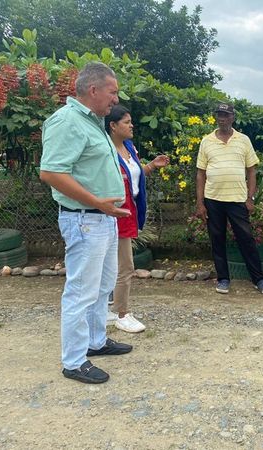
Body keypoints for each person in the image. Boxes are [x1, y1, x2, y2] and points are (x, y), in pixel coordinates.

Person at [40, 62, 133, 384]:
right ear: (93, 90)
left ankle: (96, 341)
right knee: (81, 292)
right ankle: (74, 361)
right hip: (85, 220)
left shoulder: (93, 122)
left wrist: (103, 207)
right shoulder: (67, 121)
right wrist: (96, 202)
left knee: (102, 287)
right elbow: (51, 172)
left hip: (102, 219)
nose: (115, 99)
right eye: (112, 92)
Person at [195, 102, 263, 295]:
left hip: (237, 200)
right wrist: (200, 203)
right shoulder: (206, 141)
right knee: (217, 240)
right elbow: (200, 174)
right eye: (219, 115)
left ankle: (259, 279)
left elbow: (252, 171)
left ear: (232, 117)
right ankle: (223, 279)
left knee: (246, 239)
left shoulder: (243, 140)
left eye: (225, 115)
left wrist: (250, 198)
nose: (222, 118)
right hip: (213, 199)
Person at [105, 105, 169, 333]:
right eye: (126, 122)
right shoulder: (105, 150)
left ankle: (108, 310)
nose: (131, 125)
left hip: (129, 211)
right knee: (125, 266)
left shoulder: (129, 147)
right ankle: (121, 313)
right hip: (111, 214)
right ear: (113, 126)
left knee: (115, 265)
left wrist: (150, 166)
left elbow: (132, 175)